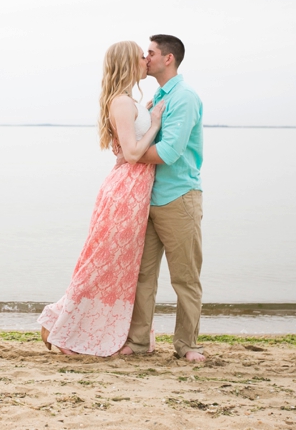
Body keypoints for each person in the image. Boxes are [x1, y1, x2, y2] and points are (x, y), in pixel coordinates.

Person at [38, 40, 165, 357]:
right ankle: (62, 326)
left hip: (135, 190)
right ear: (128, 63)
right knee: (102, 264)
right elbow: (134, 154)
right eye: (140, 57)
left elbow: (130, 146)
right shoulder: (121, 103)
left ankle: (74, 325)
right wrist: (156, 124)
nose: (144, 61)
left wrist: (148, 113)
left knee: (119, 267)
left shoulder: (128, 102)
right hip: (125, 191)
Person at [117, 34, 205, 362]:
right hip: (148, 199)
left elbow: (169, 151)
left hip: (179, 197)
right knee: (143, 275)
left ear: (167, 59)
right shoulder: (158, 96)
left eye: (150, 53)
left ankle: (188, 345)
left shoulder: (184, 97)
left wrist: (131, 155)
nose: (145, 58)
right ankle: (138, 342)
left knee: (185, 277)